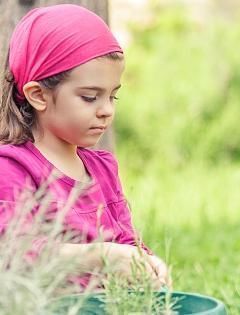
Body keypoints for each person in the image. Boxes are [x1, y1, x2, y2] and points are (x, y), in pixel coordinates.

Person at [0, 4, 169, 289]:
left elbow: (125, 239)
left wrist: (147, 263)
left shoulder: (102, 168)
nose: (106, 111)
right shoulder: (12, 167)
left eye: (113, 96)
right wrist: (100, 256)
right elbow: (15, 252)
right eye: (90, 97)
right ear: (38, 95)